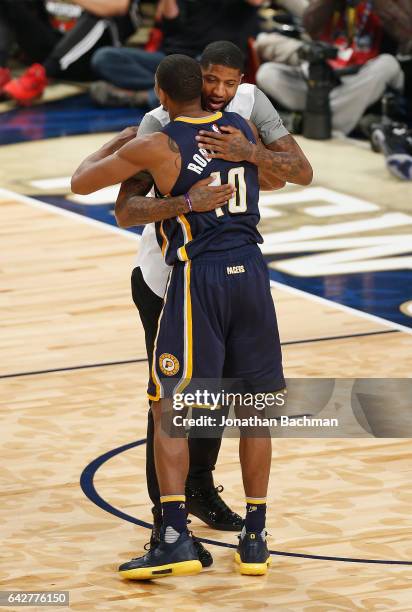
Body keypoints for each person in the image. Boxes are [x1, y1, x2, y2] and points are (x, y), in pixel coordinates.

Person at [71, 53, 287, 578]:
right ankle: (255, 538)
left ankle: (171, 534)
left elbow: (84, 185)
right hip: (254, 275)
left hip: (200, 280)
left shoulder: (155, 141)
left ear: (161, 93)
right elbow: (282, 177)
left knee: (171, 405)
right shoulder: (239, 125)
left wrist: (119, 146)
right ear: (211, 89)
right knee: (254, 407)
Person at [112, 41, 312, 566]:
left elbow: (293, 170)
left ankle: (197, 498)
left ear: (240, 80)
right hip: (169, 277)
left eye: (229, 82)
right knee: (178, 403)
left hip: (220, 272)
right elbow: (122, 203)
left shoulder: (248, 111)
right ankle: (169, 523)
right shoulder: (162, 120)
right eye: (211, 81)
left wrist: (253, 157)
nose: (219, 91)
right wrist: (188, 196)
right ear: (192, 76)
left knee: (211, 401)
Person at [256, 0, 405, 135]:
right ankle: (339, 116)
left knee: (388, 64)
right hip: (323, 78)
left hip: (360, 79)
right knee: (268, 73)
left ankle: (328, 122)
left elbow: (406, 32)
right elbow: (310, 25)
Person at [90, 0, 265, 108]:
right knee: (104, 58)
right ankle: (172, 93)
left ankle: (144, 97)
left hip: (215, 59)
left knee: (207, 75)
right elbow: (170, 22)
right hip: (175, 57)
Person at [0, 0, 139, 105]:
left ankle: (39, 76)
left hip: (90, 59)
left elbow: (119, 7)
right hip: (51, 46)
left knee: (99, 16)